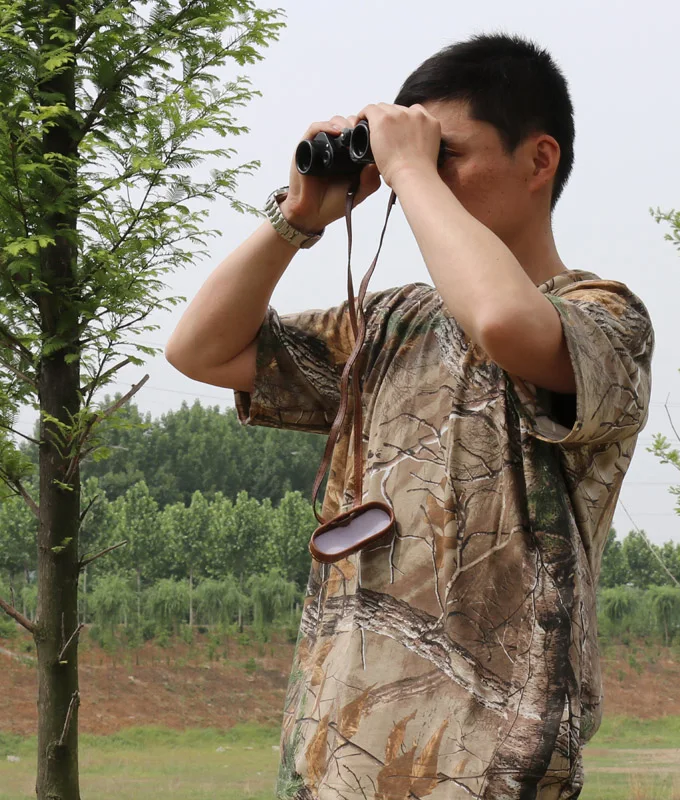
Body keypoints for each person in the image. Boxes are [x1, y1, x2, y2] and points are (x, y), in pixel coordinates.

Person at [166, 31, 654, 800]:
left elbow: (502, 321)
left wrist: (404, 165)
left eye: (446, 152)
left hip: (493, 768)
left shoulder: (606, 320)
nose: (418, 175)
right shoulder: (392, 325)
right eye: (415, 154)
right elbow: (200, 348)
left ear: (539, 160)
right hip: (338, 762)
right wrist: (298, 217)